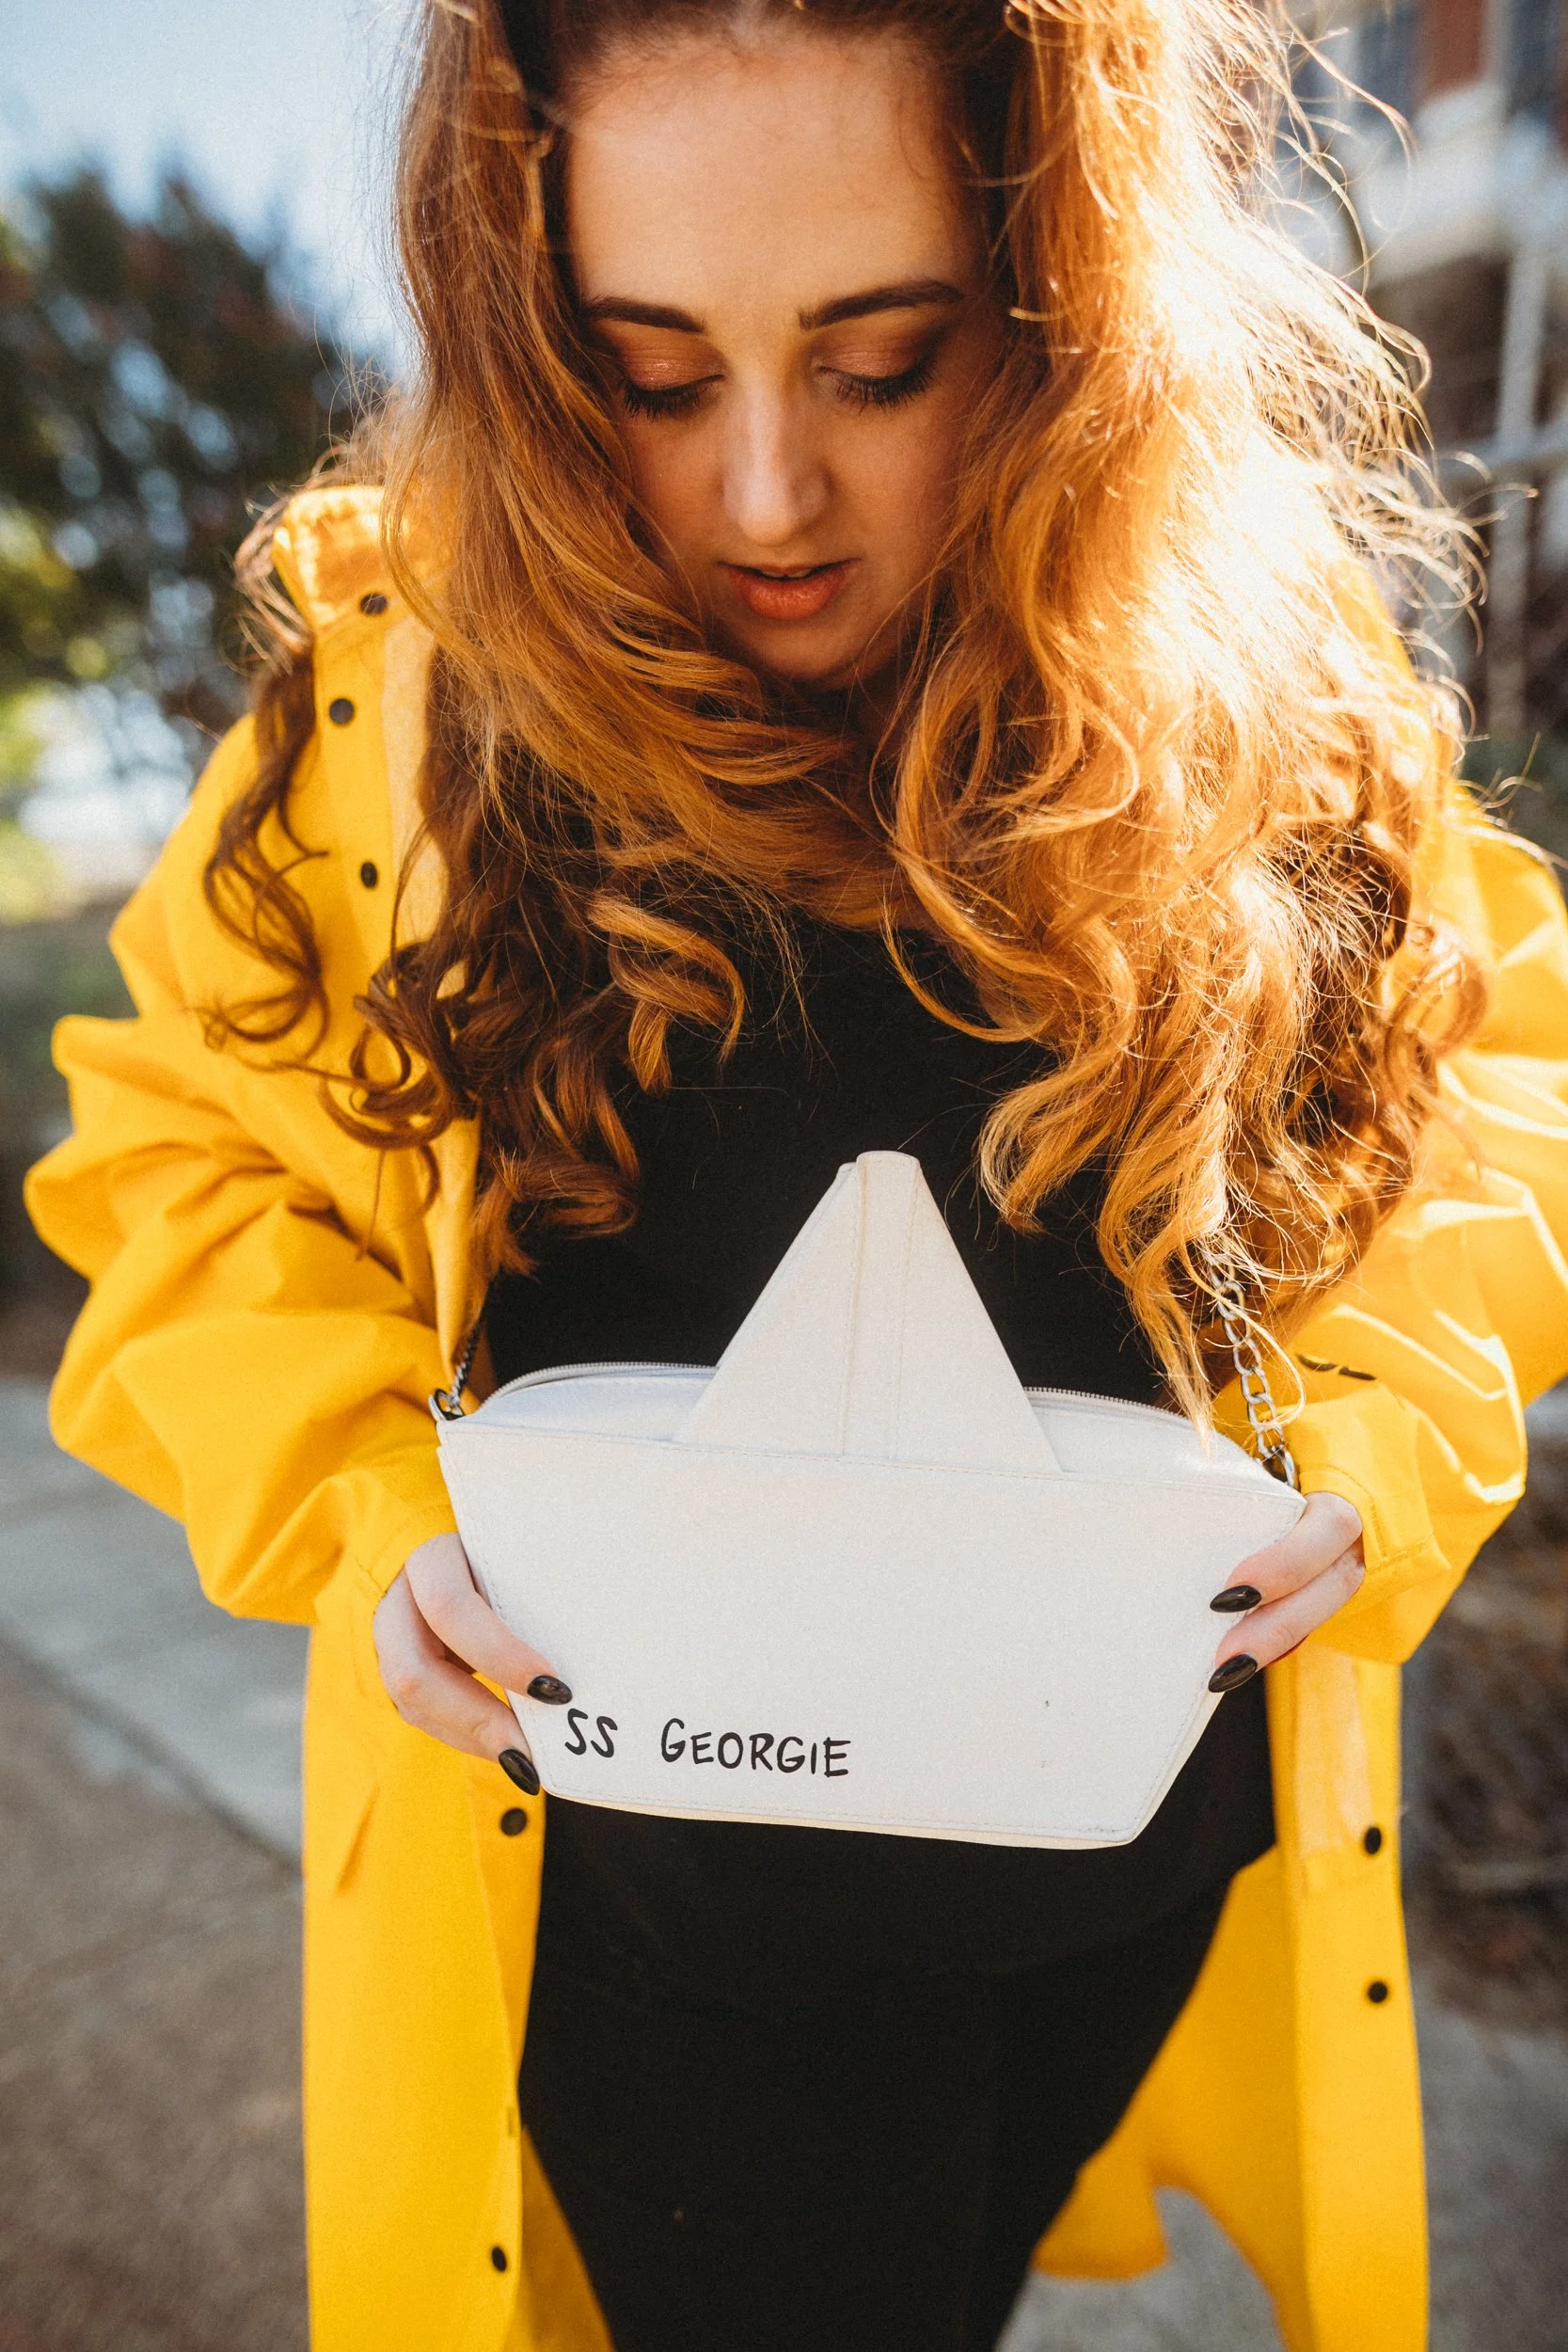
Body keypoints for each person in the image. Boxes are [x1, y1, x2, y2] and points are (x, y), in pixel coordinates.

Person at [24, 0, 1568, 2346]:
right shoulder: (383, 698)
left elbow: (1490, 1079)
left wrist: (1373, 1417)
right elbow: (169, 1162)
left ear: (1067, 304)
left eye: (879, 357)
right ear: (527, 329)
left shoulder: (1271, 675)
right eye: (649, 372)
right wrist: (360, 1491)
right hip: (650, 1963)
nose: (761, 497)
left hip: (1120, 1890)